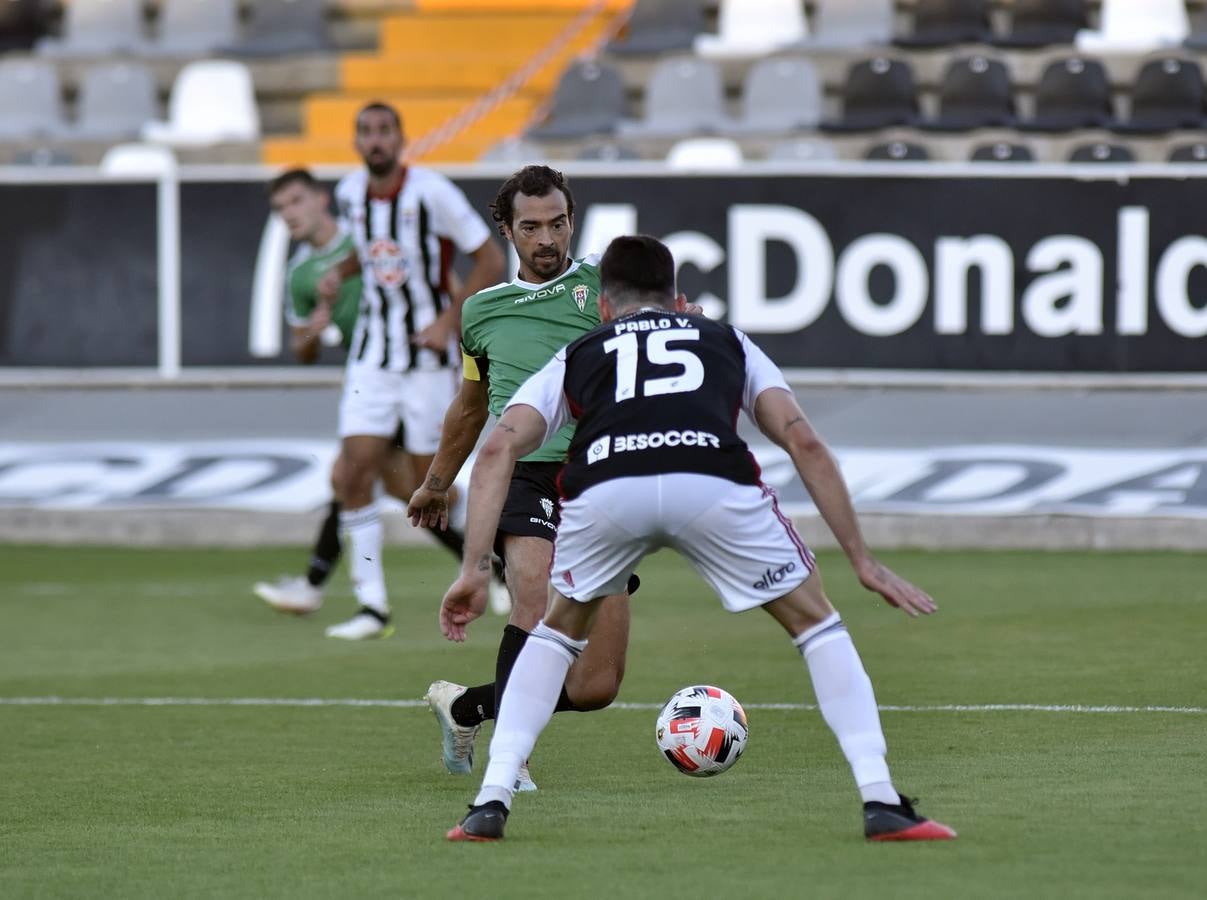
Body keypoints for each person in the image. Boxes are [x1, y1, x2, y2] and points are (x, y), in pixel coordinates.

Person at [439, 234, 957, 843]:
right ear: (679, 300)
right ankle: (880, 800)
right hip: (710, 481)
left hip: (608, 485)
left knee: (555, 635)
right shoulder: (727, 340)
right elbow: (803, 440)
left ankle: (490, 802)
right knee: (817, 626)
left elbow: (499, 445)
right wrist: (863, 560)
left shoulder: (580, 352)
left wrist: (475, 566)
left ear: (604, 307)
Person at [408, 166, 643, 789]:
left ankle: (467, 708)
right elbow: (470, 405)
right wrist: (437, 480)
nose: (547, 239)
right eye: (531, 227)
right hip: (527, 472)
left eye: (558, 224)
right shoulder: (481, 312)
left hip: (602, 478)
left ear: (573, 221)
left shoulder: (604, 285)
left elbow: (661, 328)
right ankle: (512, 765)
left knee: (595, 686)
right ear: (507, 230)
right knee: (534, 596)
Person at [252, 166, 509, 626]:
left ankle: (493, 560)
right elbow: (302, 350)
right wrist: (311, 334)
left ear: (320, 200)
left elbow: (438, 279)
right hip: (373, 375)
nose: (289, 215)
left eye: (295, 202)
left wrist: (451, 335)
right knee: (357, 476)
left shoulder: (369, 229)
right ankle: (355, 597)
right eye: (279, 209)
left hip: (421, 369)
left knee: (419, 486)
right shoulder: (301, 273)